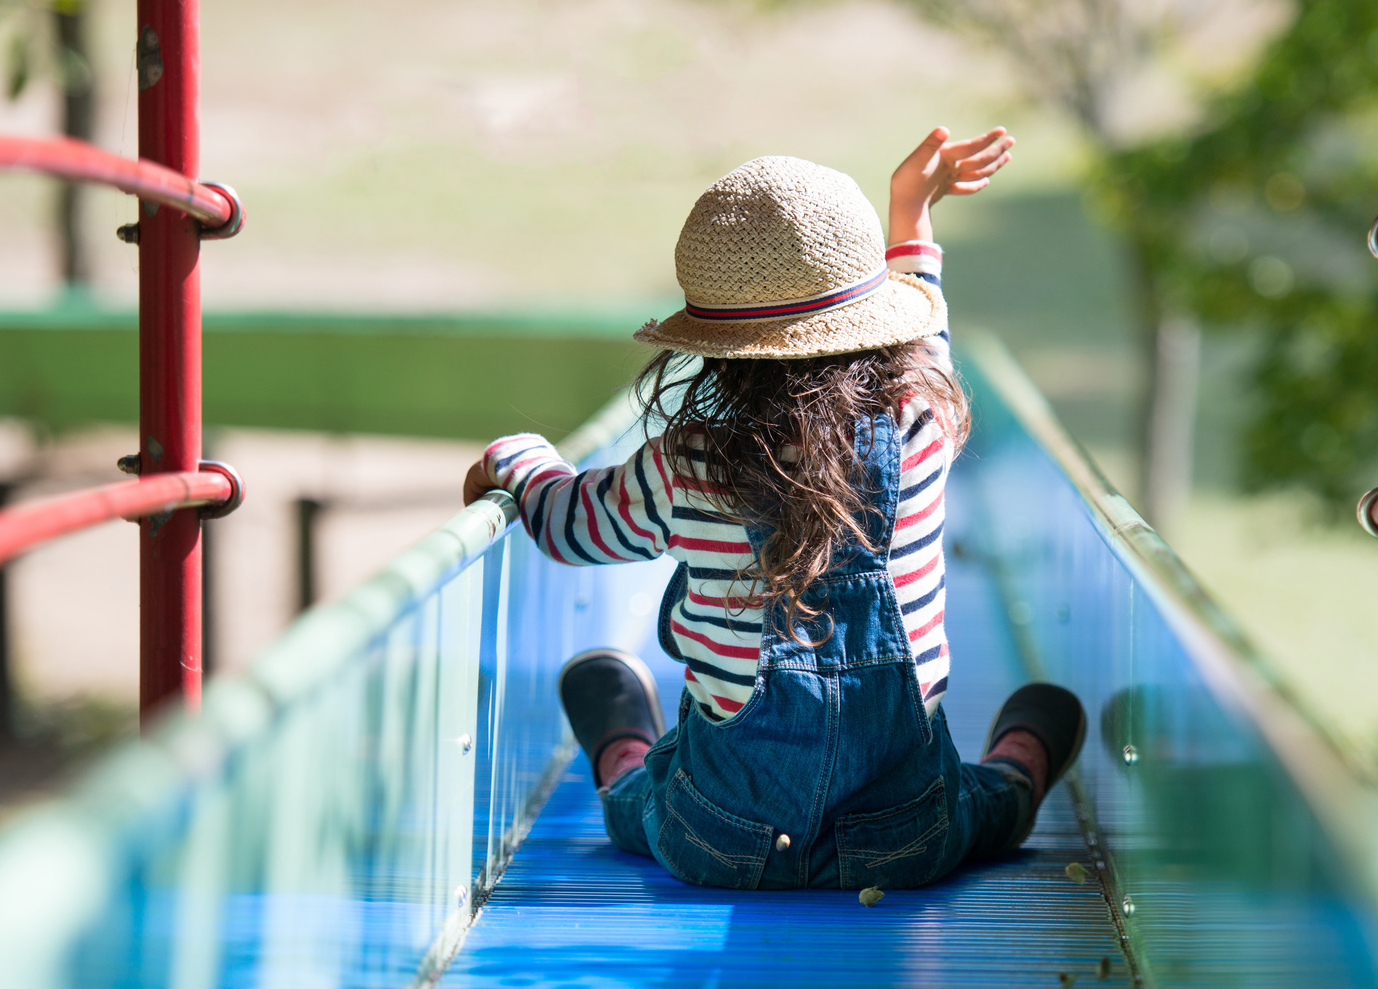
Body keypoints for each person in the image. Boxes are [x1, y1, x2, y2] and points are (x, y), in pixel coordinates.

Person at [462, 127, 1085, 891]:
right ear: (876, 324)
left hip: (721, 839)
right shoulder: (921, 422)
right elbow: (930, 345)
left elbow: (567, 525)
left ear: (718, 348)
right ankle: (1020, 759)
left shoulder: (685, 465)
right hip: (903, 839)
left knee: (640, 805)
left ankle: (621, 748)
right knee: (985, 808)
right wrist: (911, 217)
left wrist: (516, 458)